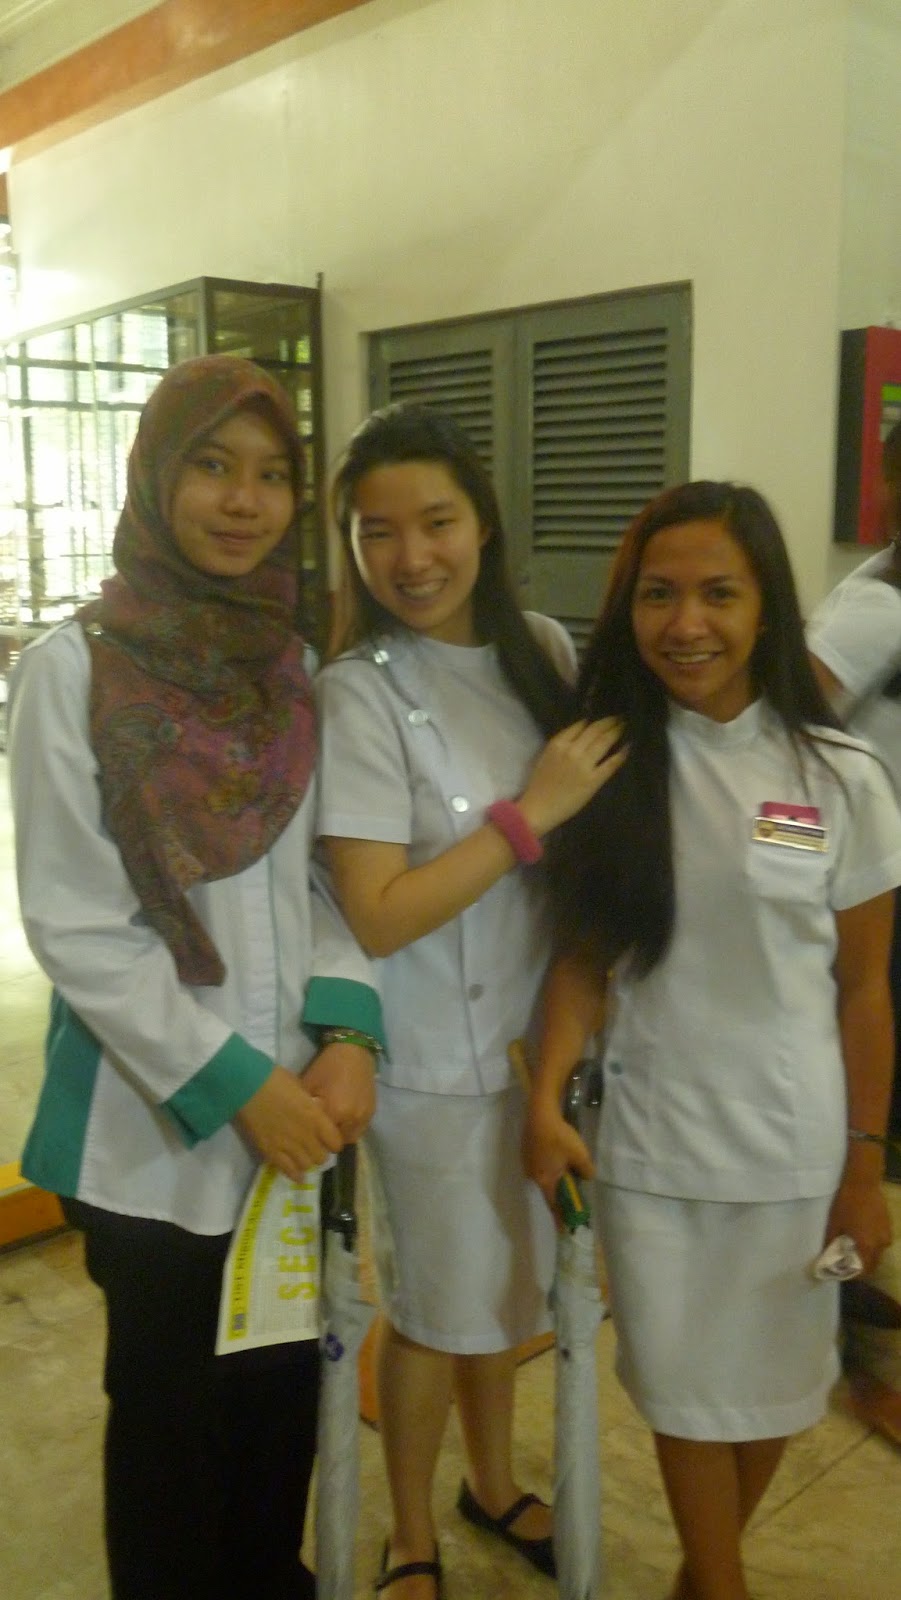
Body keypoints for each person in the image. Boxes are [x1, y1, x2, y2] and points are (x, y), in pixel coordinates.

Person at [8, 355, 384, 1600]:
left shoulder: (291, 665)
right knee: (170, 1419)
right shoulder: (73, 669)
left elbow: (323, 876)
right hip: (149, 1129)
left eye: (272, 475)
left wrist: (348, 1033)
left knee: (279, 1402)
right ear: (157, 475)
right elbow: (77, 924)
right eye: (213, 466)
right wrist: (237, 1085)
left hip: (302, 1111)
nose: (243, 500)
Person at [523, 481, 901, 1600]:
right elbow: (581, 962)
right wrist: (544, 1098)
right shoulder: (601, 764)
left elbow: (865, 990)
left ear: (766, 605)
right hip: (654, 1145)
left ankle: (702, 1579)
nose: (686, 624)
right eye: (658, 595)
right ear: (627, 610)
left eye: (718, 594)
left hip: (795, 1146)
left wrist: (864, 1164)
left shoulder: (841, 777)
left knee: (777, 1388)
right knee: (685, 1393)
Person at [315, 402, 626, 1599]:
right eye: (376, 531)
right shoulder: (357, 692)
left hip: (537, 1054)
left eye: (435, 521)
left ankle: (491, 1483)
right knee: (435, 1310)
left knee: (504, 1296)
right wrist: (528, 815)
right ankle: (408, 1535)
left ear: (483, 525)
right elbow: (379, 911)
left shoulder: (539, 648)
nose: (410, 557)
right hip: (432, 1065)